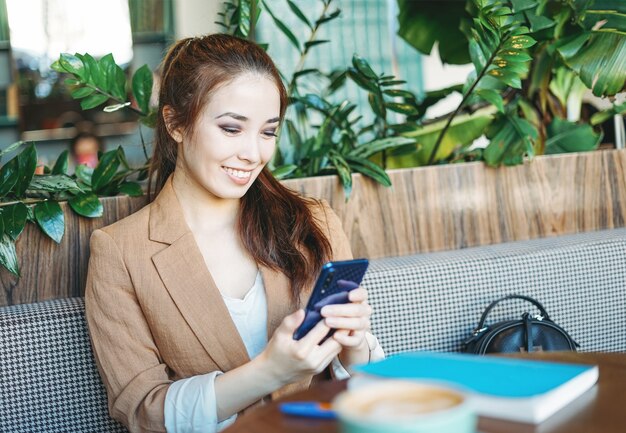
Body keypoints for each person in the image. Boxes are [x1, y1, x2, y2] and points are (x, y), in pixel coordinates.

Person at [85, 33, 384, 433]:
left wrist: (355, 346)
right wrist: (269, 371)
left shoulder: (314, 222)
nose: (253, 153)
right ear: (175, 123)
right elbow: (143, 411)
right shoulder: (120, 252)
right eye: (231, 128)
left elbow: (369, 391)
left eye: (267, 132)